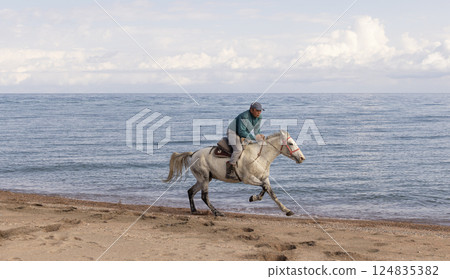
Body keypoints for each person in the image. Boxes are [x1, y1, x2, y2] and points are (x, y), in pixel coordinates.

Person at [226, 102, 265, 180]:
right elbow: (241, 132)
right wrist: (254, 138)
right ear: (251, 110)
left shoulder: (259, 117)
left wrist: (259, 135)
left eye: (260, 111)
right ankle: (229, 170)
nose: (259, 113)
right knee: (238, 149)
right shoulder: (244, 116)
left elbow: (257, 130)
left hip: (243, 133)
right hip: (233, 132)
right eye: (257, 111)